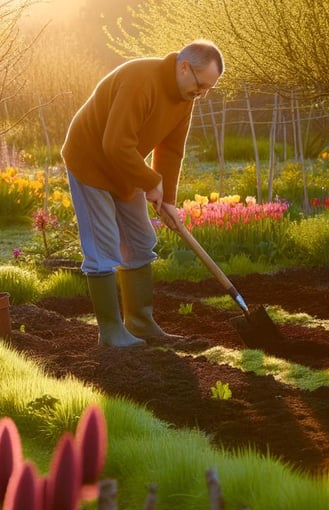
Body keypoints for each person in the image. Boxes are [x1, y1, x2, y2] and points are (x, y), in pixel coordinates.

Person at [62, 40, 224, 346]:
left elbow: (172, 150)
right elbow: (114, 144)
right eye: (201, 85)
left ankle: (139, 323)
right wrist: (150, 181)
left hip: (125, 165)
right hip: (91, 162)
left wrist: (169, 202)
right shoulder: (141, 80)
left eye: (208, 89)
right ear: (184, 67)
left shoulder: (185, 97)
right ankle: (111, 332)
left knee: (140, 240)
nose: (202, 94)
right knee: (103, 245)